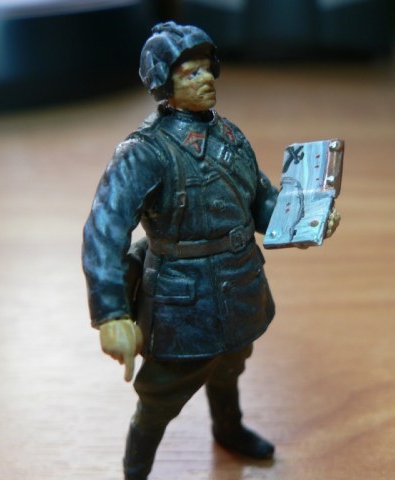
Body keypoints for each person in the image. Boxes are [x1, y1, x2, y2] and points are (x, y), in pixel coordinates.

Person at [82, 21, 339, 480]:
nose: (205, 80)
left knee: (230, 366)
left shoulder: (230, 137)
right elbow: (104, 228)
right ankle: (135, 471)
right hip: (181, 300)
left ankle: (228, 428)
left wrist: (310, 217)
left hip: (239, 283)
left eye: (206, 69)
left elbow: (261, 201)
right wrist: (112, 314)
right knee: (159, 397)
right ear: (164, 83)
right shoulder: (143, 153)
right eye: (190, 73)